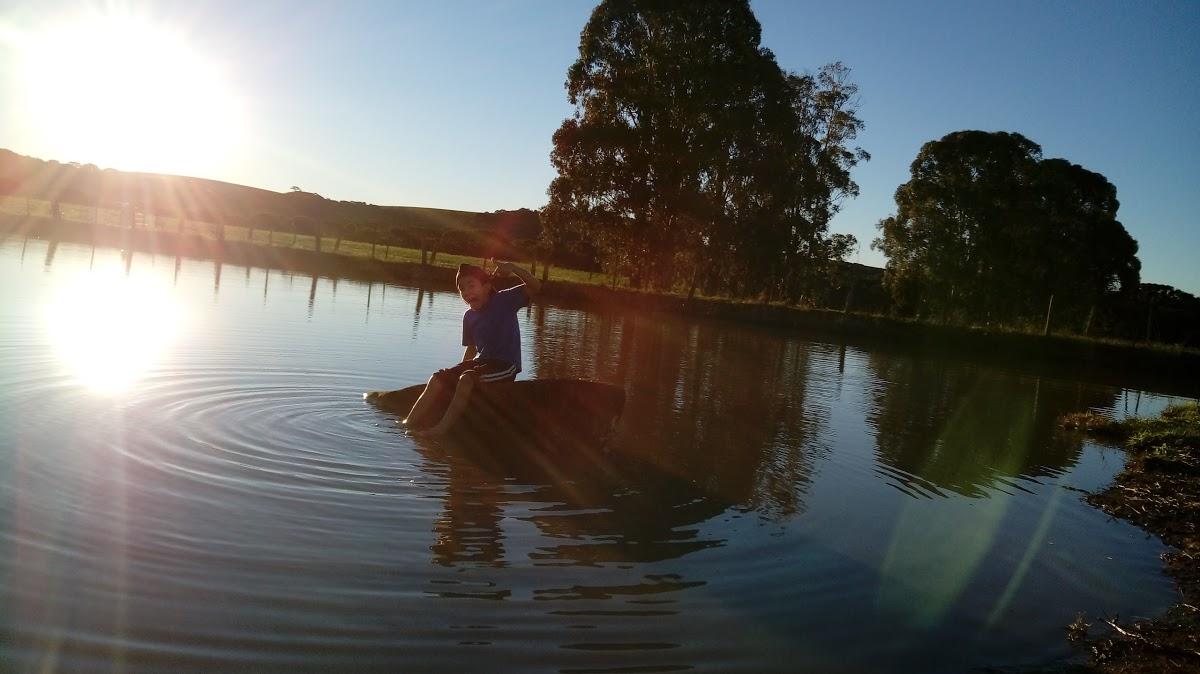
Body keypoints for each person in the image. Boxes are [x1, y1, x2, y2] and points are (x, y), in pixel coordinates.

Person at [403, 260, 540, 436]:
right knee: (438, 378)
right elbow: (471, 349)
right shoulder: (469, 316)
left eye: (471, 286)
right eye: (462, 289)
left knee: (467, 379)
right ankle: (407, 423)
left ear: (486, 286)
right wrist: (454, 377)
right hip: (480, 363)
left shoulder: (505, 300)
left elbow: (535, 286)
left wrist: (513, 268)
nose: (466, 292)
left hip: (505, 365)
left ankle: (440, 430)